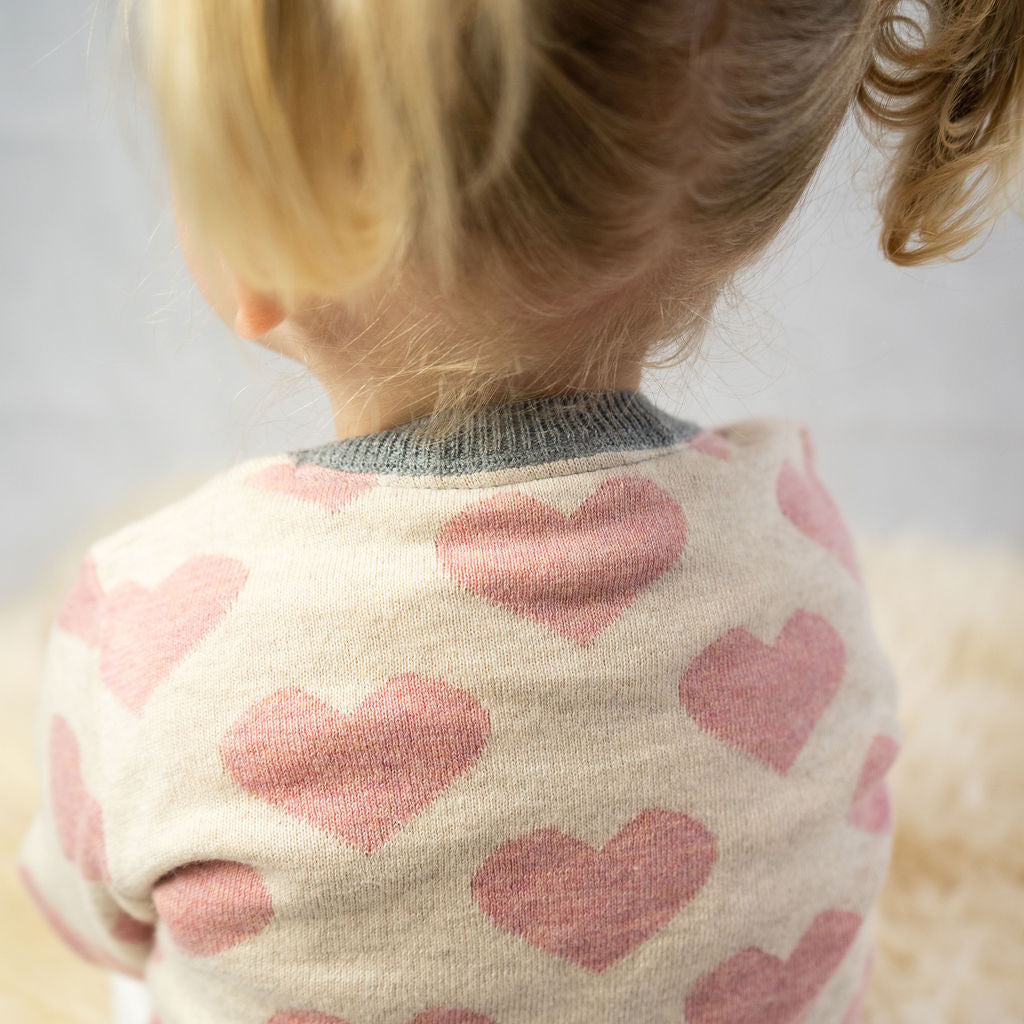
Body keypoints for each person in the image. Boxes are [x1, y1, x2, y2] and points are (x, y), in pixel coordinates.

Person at [17, 1, 1023, 1022]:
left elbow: (91, 916)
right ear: (737, 207)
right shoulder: (800, 545)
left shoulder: (146, 620)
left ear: (262, 242)